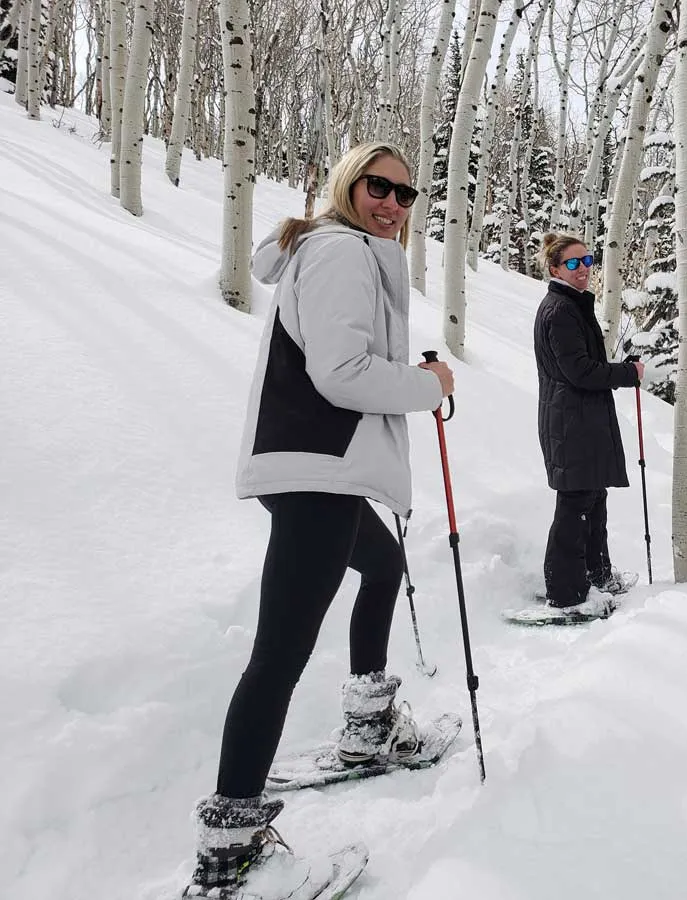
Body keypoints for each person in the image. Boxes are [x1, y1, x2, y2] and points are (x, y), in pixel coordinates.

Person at [181, 142, 454, 899]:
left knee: (384, 566)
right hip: (316, 473)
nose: (393, 205)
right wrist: (429, 386)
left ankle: (369, 725)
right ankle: (228, 856)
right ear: (348, 183)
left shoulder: (346, 249)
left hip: (316, 470)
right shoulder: (340, 253)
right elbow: (342, 374)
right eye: (379, 186)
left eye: (407, 194)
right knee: (278, 656)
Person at [533, 232, 644, 616]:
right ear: (555, 269)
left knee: (594, 499)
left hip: (582, 420)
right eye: (574, 264)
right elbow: (578, 371)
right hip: (570, 423)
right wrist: (627, 373)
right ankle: (565, 593)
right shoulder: (559, 311)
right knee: (576, 504)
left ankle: (598, 576)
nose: (584, 270)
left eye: (588, 260)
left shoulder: (573, 305)